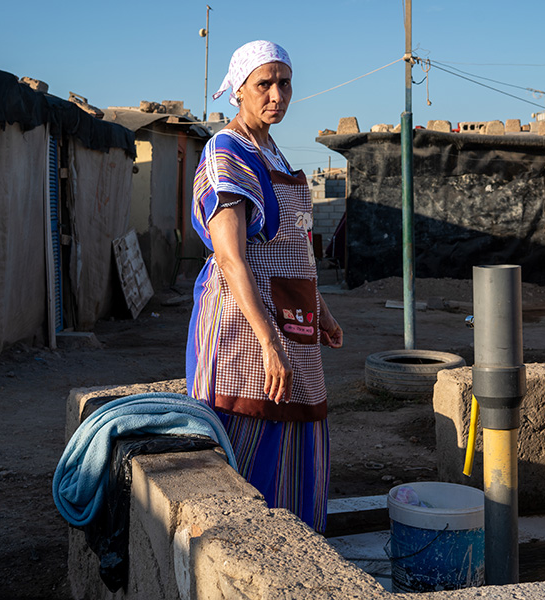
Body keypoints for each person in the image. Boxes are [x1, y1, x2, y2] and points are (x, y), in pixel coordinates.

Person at [186, 40, 343, 532]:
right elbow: (232, 257)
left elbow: (289, 247)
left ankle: (298, 553)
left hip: (290, 314)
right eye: (264, 84)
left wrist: (321, 309)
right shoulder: (226, 152)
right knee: (248, 428)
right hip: (243, 324)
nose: (277, 95)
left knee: (297, 428)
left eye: (285, 83)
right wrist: (269, 343)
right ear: (238, 91)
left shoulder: (272, 151)